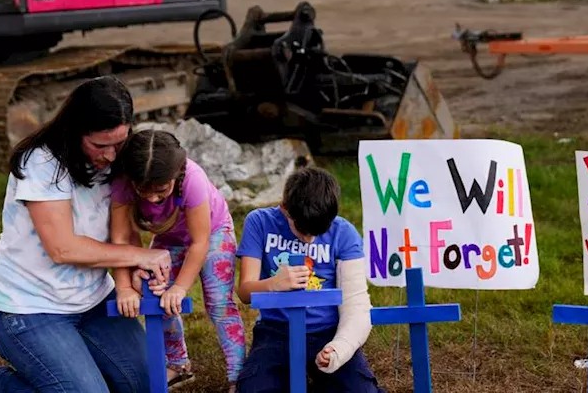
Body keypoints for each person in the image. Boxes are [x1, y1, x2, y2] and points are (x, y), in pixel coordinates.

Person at [0, 75, 173, 393]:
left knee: (147, 385)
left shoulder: (120, 160)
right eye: (100, 145)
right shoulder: (41, 161)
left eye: (119, 143)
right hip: (30, 306)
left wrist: (133, 273)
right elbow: (62, 248)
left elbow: (124, 231)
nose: (111, 155)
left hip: (94, 300)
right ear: (75, 131)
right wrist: (140, 255)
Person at [109, 129, 246, 390]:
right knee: (155, 295)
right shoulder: (123, 181)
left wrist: (180, 287)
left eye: (161, 190)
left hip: (212, 232)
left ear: (176, 174)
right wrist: (124, 287)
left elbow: (200, 242)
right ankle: (178, 364)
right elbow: (121, 239)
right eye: (143, 191)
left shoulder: (192, 177)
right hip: (167, 239)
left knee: (219, 303)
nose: (151, 198)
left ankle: (238, 375)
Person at [234, 166, 384, 393]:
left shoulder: (344, 233)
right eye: (302, 230)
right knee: (254, 388)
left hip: (327, 331)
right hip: (276, 330)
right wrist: (274, 284)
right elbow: (245, 292)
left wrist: (339, 348)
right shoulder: (260, 222)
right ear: (285, 209)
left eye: (318, 231)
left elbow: (356, 304)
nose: (310, 239)